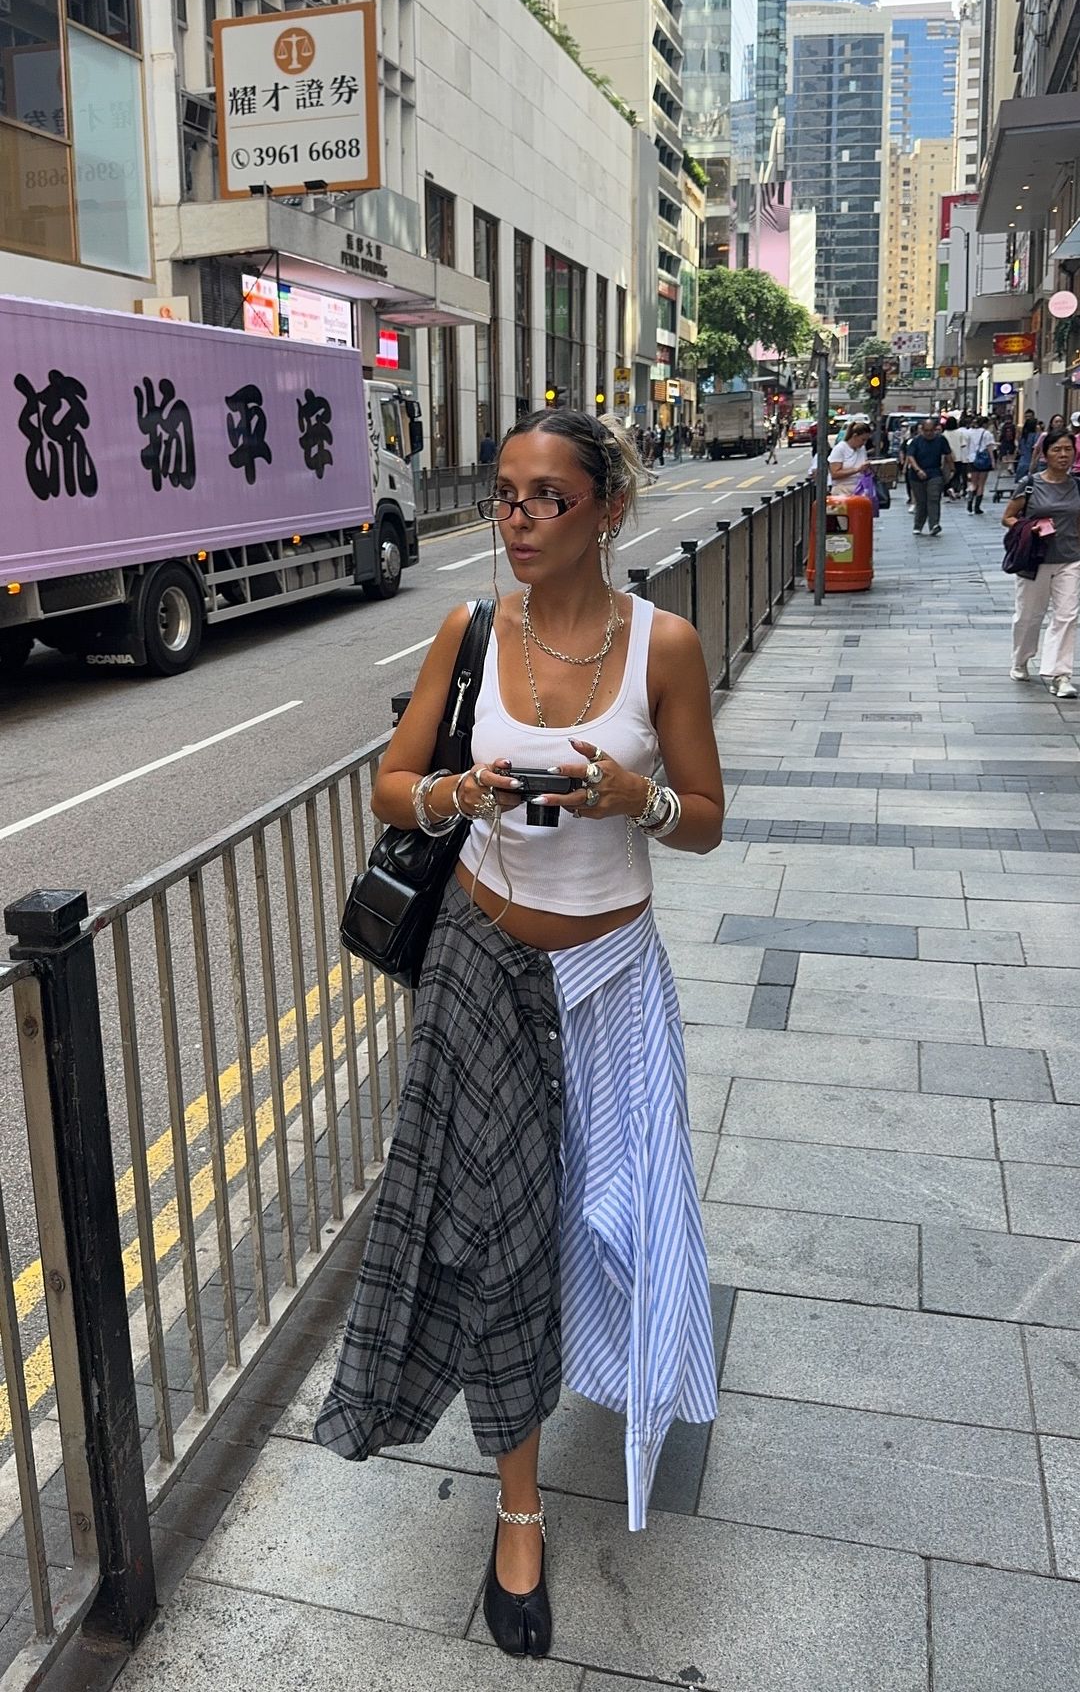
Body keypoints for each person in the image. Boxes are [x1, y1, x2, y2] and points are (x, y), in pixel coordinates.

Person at [314, 408, 725, 1657]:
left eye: (546, 498)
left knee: (609, 1222)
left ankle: (614, 1372)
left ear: (605, 507)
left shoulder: (665, 645)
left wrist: (632, 794)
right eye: (504, 497)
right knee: (501, 1236)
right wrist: (455, 790)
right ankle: (519, 1508)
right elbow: (391, 784)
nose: (519, 520)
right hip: (480, 971)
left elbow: (705, 817)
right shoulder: (469, 631)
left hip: (610, 987)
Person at [1003, 429, 1080, 698]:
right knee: (1028, 616)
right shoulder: (1030, 484)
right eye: (1057, 449)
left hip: (1070, 559)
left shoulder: (1077, 485)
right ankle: (1021, 659)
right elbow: (1009, 517)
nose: (1063, 455)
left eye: (1068, 449)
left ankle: (1060, 674)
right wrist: (1031, 527)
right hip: (1034, 558)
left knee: (1067, 615)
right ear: (1045, 453)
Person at [905, 417, 950, 536]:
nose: (929, 433)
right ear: (922, 430)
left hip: (935, 473)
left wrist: (951, 469)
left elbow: (948, 454)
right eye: (926, 430)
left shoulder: (941, 440)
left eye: (931, 430)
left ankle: (934, 524)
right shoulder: (916, 441)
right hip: (916, 475)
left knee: (934, 498)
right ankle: (918, 525)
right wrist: (918, 470)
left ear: (935, 429)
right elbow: (910, 457)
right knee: (921, 501)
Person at [828, 418, 872, 490]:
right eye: (863, 440)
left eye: (866, 440)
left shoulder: (862, 449)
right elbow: (834, 474)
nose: (864, 443)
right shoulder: (840, 448)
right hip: (843, 488)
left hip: (860, 486)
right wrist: (857, 470)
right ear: (854, 436)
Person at [966, 415, 997, 514]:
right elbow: (990, 448)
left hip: (972, 459)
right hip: (983, 460)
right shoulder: (987, 433)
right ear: (985, 424)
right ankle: (977, 507)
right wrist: (992, 461)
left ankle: (970, 501)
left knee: (973, 483)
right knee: (981, 484)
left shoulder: (969, 432)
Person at [943, 415, 970, 501]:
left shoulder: (944, 434)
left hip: (947, 458)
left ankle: (947, 489)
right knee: (957, 475)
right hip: (958, 457)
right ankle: (955, 489)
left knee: (947, 475)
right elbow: (963, 444)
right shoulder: (960, 433)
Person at [1016, 413, 1039, 480]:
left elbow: (1020, 449)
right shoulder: (1035, 436)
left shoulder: (1023, 437)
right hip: (1031, 463)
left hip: (1022, 462)